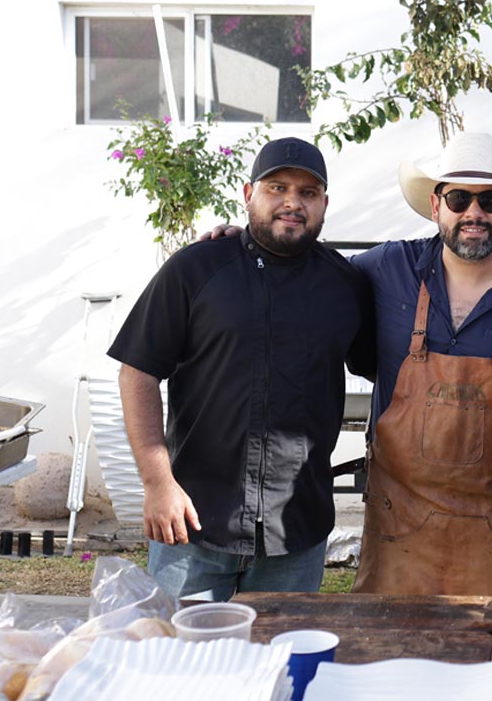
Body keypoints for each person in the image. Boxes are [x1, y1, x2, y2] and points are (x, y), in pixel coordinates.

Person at [108, 136, 376, 600]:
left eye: (308, 193)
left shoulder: (345, 284)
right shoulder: (196, 269)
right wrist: (157, 483)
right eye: (277, 188)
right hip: (193, 523)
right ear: (249, 193)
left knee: (282, 667)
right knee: (180, 664)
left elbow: (386, 368)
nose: (292, 202)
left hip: (297, 530)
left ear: (324, 204)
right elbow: (138, 372)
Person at [348, 132, 492, 595]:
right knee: (387, 658)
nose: (474, 213)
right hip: (396, 531)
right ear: (435, 205)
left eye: (489, 199)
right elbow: (305, 275)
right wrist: (237, 245)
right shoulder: (385, 269)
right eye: (459, 198)